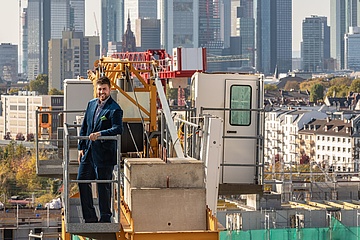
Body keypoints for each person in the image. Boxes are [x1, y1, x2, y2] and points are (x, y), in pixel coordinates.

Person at [77, 76, 123, 223]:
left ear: (109, 89)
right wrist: (80, 147)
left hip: (104, 153)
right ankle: (89, 216)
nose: (101, 92)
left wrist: (100, 134)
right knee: (82, 180)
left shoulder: (115, 109)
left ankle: (105, 216)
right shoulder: (91, 104)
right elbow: (85, 126)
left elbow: (118, 129)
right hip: (89, 151)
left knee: (103, 185)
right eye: (99, 89)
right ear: (96, 90)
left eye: (104, 89)